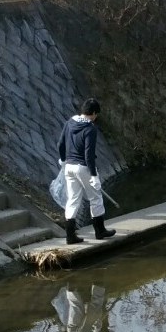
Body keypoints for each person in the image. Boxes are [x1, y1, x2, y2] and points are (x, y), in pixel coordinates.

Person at [58, 98, 114, 244]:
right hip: (83, 167)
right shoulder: (90, 129)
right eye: (97, 114)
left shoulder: (69, 123)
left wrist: (63, 161)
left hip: (69, 167)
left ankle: (70, 236)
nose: (96, 117)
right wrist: (94, 176)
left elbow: (60, 144)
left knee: (73, 200)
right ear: (94, 113)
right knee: (95, 198)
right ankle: (100, 231)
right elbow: (89, 155)